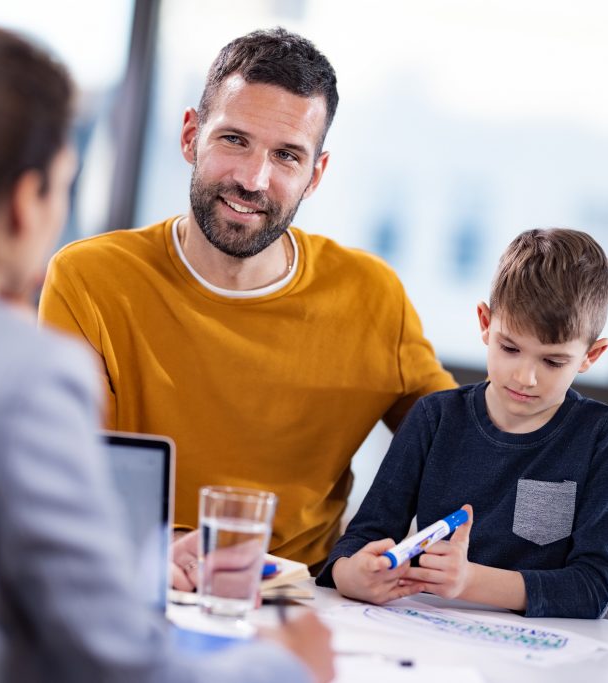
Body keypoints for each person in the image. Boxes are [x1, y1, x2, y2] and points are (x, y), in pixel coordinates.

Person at [0, 26, 333, 682]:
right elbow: (119, 664)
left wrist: (135, 553)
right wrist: (288, 668)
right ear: (26, 202)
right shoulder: (22, 372)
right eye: (65, 184)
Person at [38, 27, 456, 575]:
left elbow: (465, 452)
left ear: (315, 175)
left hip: (306, 600)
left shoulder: (373, 296)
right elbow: (65, 479)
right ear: (191, 136)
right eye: (234, 140)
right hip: (135, 581)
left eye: (286, 156)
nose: (253, 179)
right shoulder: (90, 278)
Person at [316, 229, 608, 619]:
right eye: (510, 348)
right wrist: (353, 575)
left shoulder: (603, 437)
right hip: (428, 636)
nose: (525, 378)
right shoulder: (434, 419)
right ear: (485, 323)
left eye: (552, 362)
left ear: (592, 354)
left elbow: (593, 587)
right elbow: (360, 540)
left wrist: (468, 581)